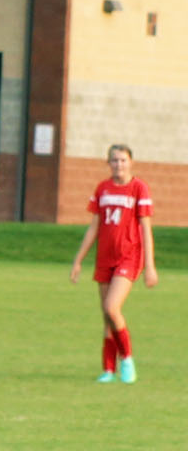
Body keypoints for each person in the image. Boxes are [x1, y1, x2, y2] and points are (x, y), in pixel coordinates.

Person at [69, 144, 158, 384]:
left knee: (111, 307)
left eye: (122, 160)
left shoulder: (139, 188)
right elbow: (94, 227)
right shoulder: (103, 189)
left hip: (128, 257)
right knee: (106, 316)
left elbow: (146, 229)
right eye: (114, 160)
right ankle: (108, 370)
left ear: (131, 162)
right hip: (104, 258)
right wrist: (78, 261)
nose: (118, 165)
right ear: (108, 163)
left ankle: (127, 359)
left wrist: (150, 265)